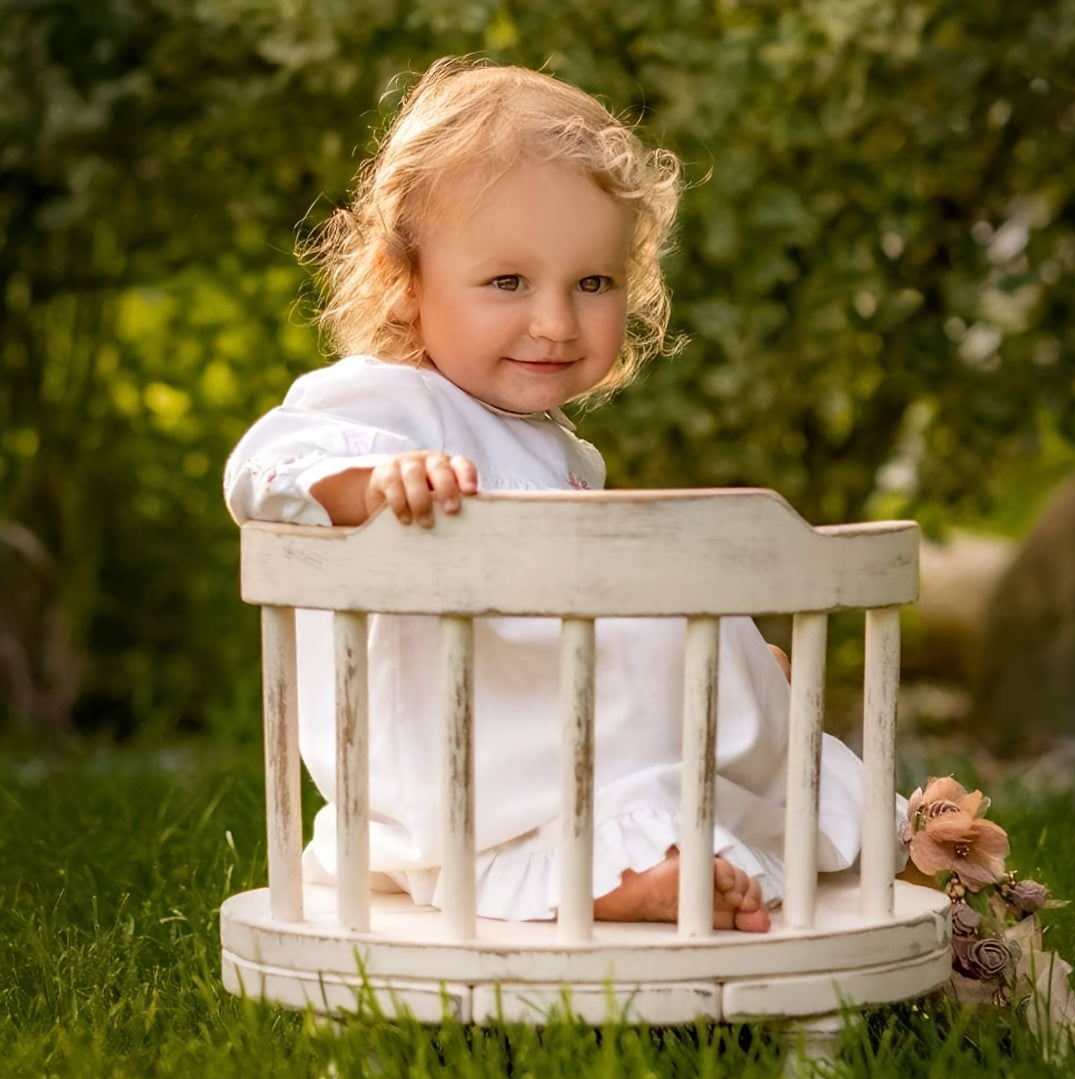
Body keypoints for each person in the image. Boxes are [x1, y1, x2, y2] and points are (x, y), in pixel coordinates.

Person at [225, 57, 877, 933]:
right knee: (667, 648)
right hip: (455, 755)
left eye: (593, 284)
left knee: (697, 643)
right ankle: (611, 870)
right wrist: (370, 485)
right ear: (406, 281)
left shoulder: (563, 455)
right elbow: (265, 465)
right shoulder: (394, 402)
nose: (557, 322)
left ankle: (661, 852)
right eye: (507, 282)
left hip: (539, 742)